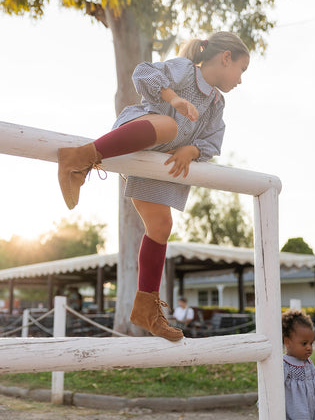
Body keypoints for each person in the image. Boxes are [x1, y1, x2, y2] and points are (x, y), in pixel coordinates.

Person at [57, 31, 250, 342]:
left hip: (154, 166)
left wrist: (193, 150)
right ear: (226, 58)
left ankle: (146, 307)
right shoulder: (187, 70)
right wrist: (173, 97)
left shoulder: (216, 102)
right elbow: (143, 73)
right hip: (138, 132)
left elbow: (213, 141)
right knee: (170, 124)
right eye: (242, 69)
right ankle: (80, 158)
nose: (241, 80)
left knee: (161, 225)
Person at [282, 309, 315, 420]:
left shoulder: (308, 363)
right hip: (296, 414)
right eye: (304, 343)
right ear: (287, 342)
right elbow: (272, 387)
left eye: (311, 343)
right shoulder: (284, 366)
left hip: (314, 412)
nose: (309, 347)